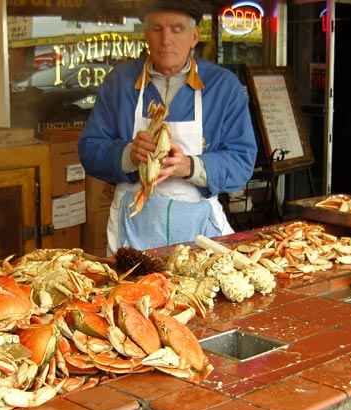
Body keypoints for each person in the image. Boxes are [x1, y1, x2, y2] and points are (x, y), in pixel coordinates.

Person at [77, 0, 257, 254]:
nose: (166, 40)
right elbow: (89, 149)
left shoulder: (223, 86)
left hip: (199, 232)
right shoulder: (120, 81)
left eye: (177, 29)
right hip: (132, 229)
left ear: (194, 36)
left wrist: (189, 166)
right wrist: (128, 155)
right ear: (145, 34)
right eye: (156, 28)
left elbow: (242, 162)